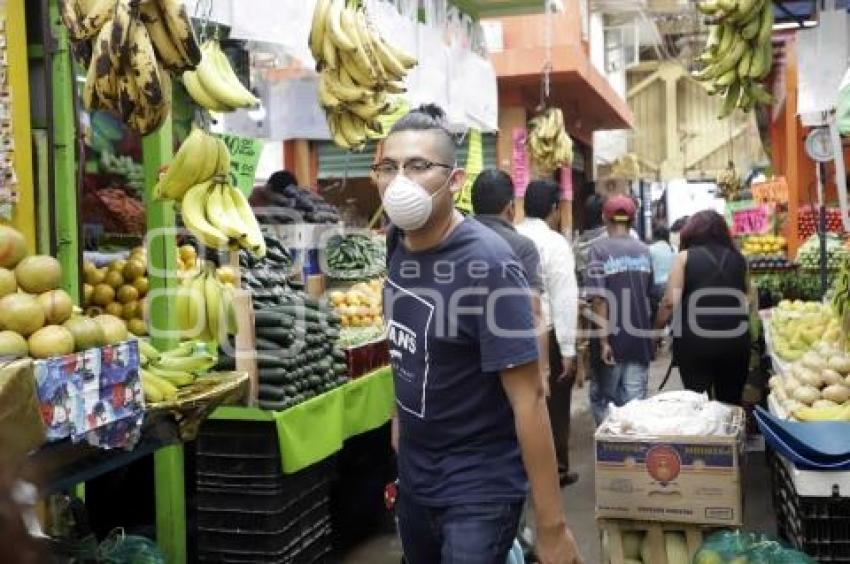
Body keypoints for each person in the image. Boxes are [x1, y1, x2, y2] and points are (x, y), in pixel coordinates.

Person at [377, 105, 582, 564]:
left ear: (454, 181)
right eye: (388, 167)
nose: (399, 181)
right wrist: (398, 415)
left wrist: (552, 528)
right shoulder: (396, 242)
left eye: (418, 166)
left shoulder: (488, 265)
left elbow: (528, 399)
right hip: (415, 475)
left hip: (478, 486)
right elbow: (407, 340)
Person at [517, 180, 580, 487]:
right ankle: (556, 468)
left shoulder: (511, 235)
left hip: (510, 334)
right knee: (554, 405)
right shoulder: (555, 243)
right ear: (554, 209)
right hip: (548, 334)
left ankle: (524, 467)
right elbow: (564, 298)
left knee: (520, 401)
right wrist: (568, 351)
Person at [654, 210, 750, 404]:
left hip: (695, 342)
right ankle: (730, 433)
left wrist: (656, 330)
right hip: (735, 341)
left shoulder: (684, 258)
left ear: (691, 232)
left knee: (697, 404)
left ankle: (706, 435)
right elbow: (748, 299)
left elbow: (670, 302)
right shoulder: (739, 259)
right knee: (731, 402)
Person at [471, 169, 550, 395]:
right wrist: (543, 373)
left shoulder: (456, 242)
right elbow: (534, 312)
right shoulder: (522, 246)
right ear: (510, 208)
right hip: (512, 363)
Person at [585, 195, 654, 425]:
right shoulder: (644, 250)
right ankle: (631, 456)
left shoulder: (598, 250)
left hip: (611, 343)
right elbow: (650, 295)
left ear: (605, 218)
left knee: (604, 401)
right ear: (633, 220)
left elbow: (599, 300)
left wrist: (604, 341)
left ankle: (611, 454)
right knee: (634, 407)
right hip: (639, 340)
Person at [648, 224, 675, 317]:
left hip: (656, 286)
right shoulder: (673, 249)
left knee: (655, 312)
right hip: (672, 285)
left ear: (654, 235)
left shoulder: (650, 249)